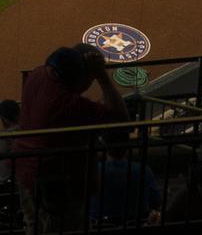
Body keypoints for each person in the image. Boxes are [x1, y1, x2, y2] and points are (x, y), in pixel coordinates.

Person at [15, 45, 125, 231]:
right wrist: (102, 76)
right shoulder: (70, 105)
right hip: (57, 183)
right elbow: (121, 118)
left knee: (34, 224)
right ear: (77, 78)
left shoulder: (37, 75)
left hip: (25, 171)